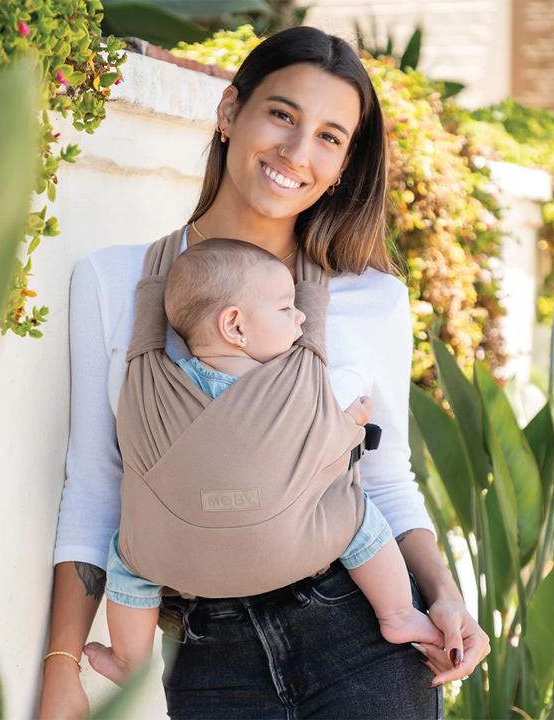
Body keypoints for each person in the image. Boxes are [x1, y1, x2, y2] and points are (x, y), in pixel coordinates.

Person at [39, 26, 490, 720]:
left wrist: (443, 594)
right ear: (229, 113)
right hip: (204, 656)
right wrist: (61, 667)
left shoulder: (371, 300)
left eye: (329, 137)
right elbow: (98, 486)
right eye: (282, 115)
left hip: (359, 638)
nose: (296, 152)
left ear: (343, 166)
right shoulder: (116, 282)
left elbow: (386, 478)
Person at [82, 238, 443, 685]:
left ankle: (128, 662)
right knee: (358, 517)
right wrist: (353, 421)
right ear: (235, 326)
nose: (301, 316)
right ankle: (398, 613)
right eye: (285, 308)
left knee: (130, 560)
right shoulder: (288, 385)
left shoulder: (156, 384)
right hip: (304, 554)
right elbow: (325, 444)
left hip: (176, 565)